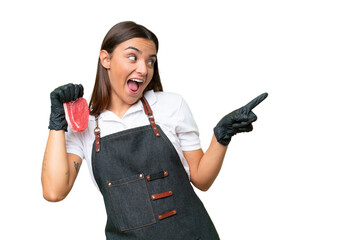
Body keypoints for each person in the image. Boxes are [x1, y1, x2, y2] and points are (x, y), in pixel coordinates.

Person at [41, 21, 268, 239]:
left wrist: (221, 137)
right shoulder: (84, 124)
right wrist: (57, 123)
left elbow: (201, 179)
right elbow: (54, 191)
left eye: (150, 61)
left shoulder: (171, 106)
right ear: (106, 59)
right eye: (133, 57)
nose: (143, 69)